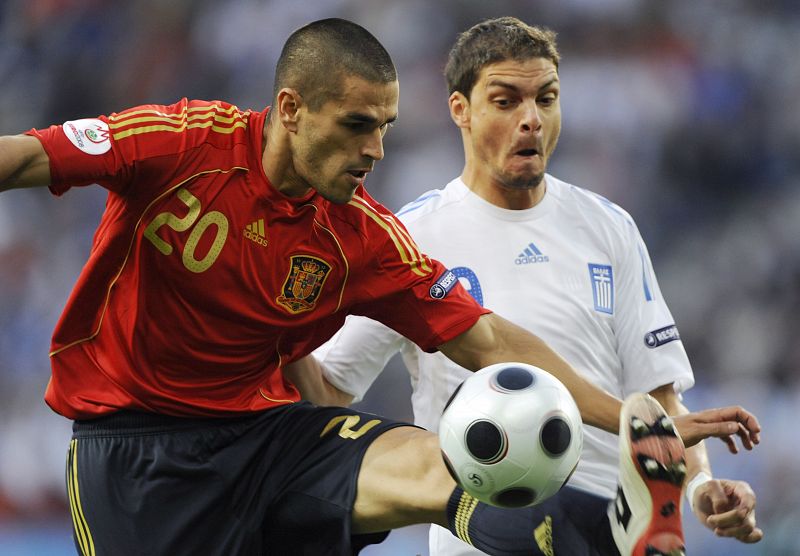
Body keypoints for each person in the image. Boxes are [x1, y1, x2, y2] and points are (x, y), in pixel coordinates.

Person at [0, 17, 759, 556]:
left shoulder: (363, 234)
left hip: (266, 439)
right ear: (291, 110)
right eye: (358, 124)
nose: (376, 148)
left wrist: (625, 416)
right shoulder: (180, 142)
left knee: (446, 465)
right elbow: (27, 158)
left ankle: (608, 537)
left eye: (387, 126)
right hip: (134, 453)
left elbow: (484, 338)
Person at [294, 16, 764, 555]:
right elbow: (329, 392)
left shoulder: (609, 227)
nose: (531, 120)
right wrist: (271, 324)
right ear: (460, 111)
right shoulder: (409, 236)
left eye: (546, 98)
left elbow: (657, 398)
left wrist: (702, 486)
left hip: (606, 532)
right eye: (506, 100)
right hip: (480, 539)